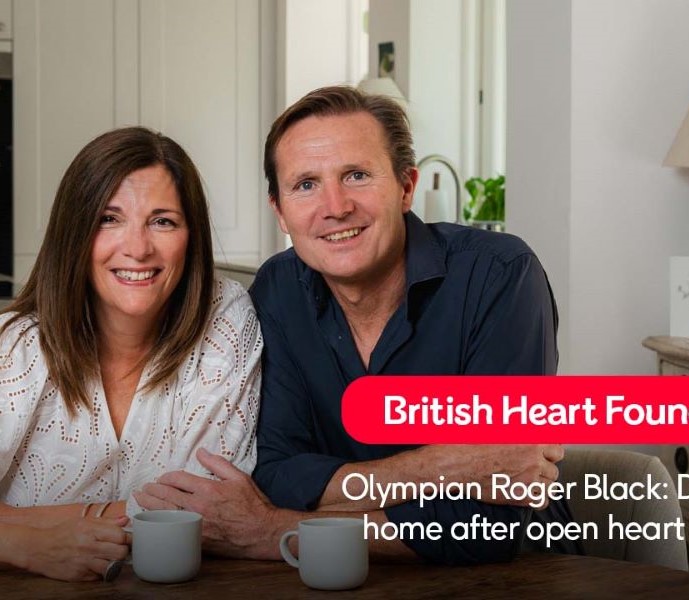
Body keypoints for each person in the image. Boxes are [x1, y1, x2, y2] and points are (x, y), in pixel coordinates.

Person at [137, 86, 571, 564]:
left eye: (357, 175)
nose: (336, 206)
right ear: (279, 210)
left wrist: (274, 531)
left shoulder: (500, 275)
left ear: (406, 187)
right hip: (331, 577)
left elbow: (491, 517)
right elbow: (278, 474)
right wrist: (447, 465)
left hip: (518, 578)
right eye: (305, 184)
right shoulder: (277, 291)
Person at [0, 127, 261, 581]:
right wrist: (23, 545)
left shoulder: (226, 315)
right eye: (108, 218)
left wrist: (20, 520)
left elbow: (207, 510)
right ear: (74, 232)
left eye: (163, 221)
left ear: (190, 236)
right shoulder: (14, 346)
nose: (138, 248)